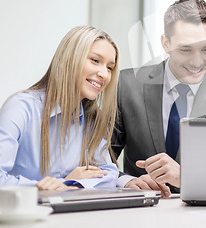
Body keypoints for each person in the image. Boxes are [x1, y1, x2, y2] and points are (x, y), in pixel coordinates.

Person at [112, 0, 206, 196]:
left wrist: (186, 177)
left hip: (204, 214)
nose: (197, 62)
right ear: (165, 43)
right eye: (186, 49)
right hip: (139, 211)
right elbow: (100, 157)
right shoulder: (126, 84)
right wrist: (128, 182)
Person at [0, 26, 120, 189]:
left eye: (109, 68)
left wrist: (73, 185)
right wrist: (59, 185)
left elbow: (110, 174)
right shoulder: (21, 107)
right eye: (95, 60)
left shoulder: (91, 119)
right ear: (70, 59)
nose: (104, 74)